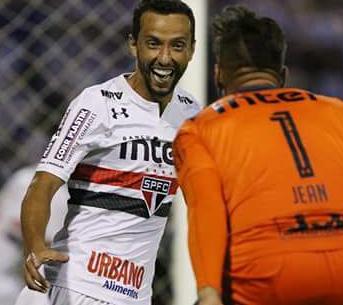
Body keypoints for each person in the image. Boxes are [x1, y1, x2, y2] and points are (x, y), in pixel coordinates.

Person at [173, 5, 343, 305]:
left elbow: (206, 208)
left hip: (267, 274)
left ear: (219, 73)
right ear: (283, 74)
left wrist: (208, 292)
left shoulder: (198, 131)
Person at [18, 0, 201, 304]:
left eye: (177, 46)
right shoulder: (97, 104)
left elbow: (202, 202)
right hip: (76, 285)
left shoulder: (193, 115)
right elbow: (43, 184)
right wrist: (35, 245)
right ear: (133, 45)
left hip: (136, 295)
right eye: (153, 44)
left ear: (192, 50)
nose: (165, 58)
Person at [0, 165, 68, 305]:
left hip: (38, 259)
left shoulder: (64, 196)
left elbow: (52, 243)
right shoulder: (24, 177)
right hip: (7, 244)